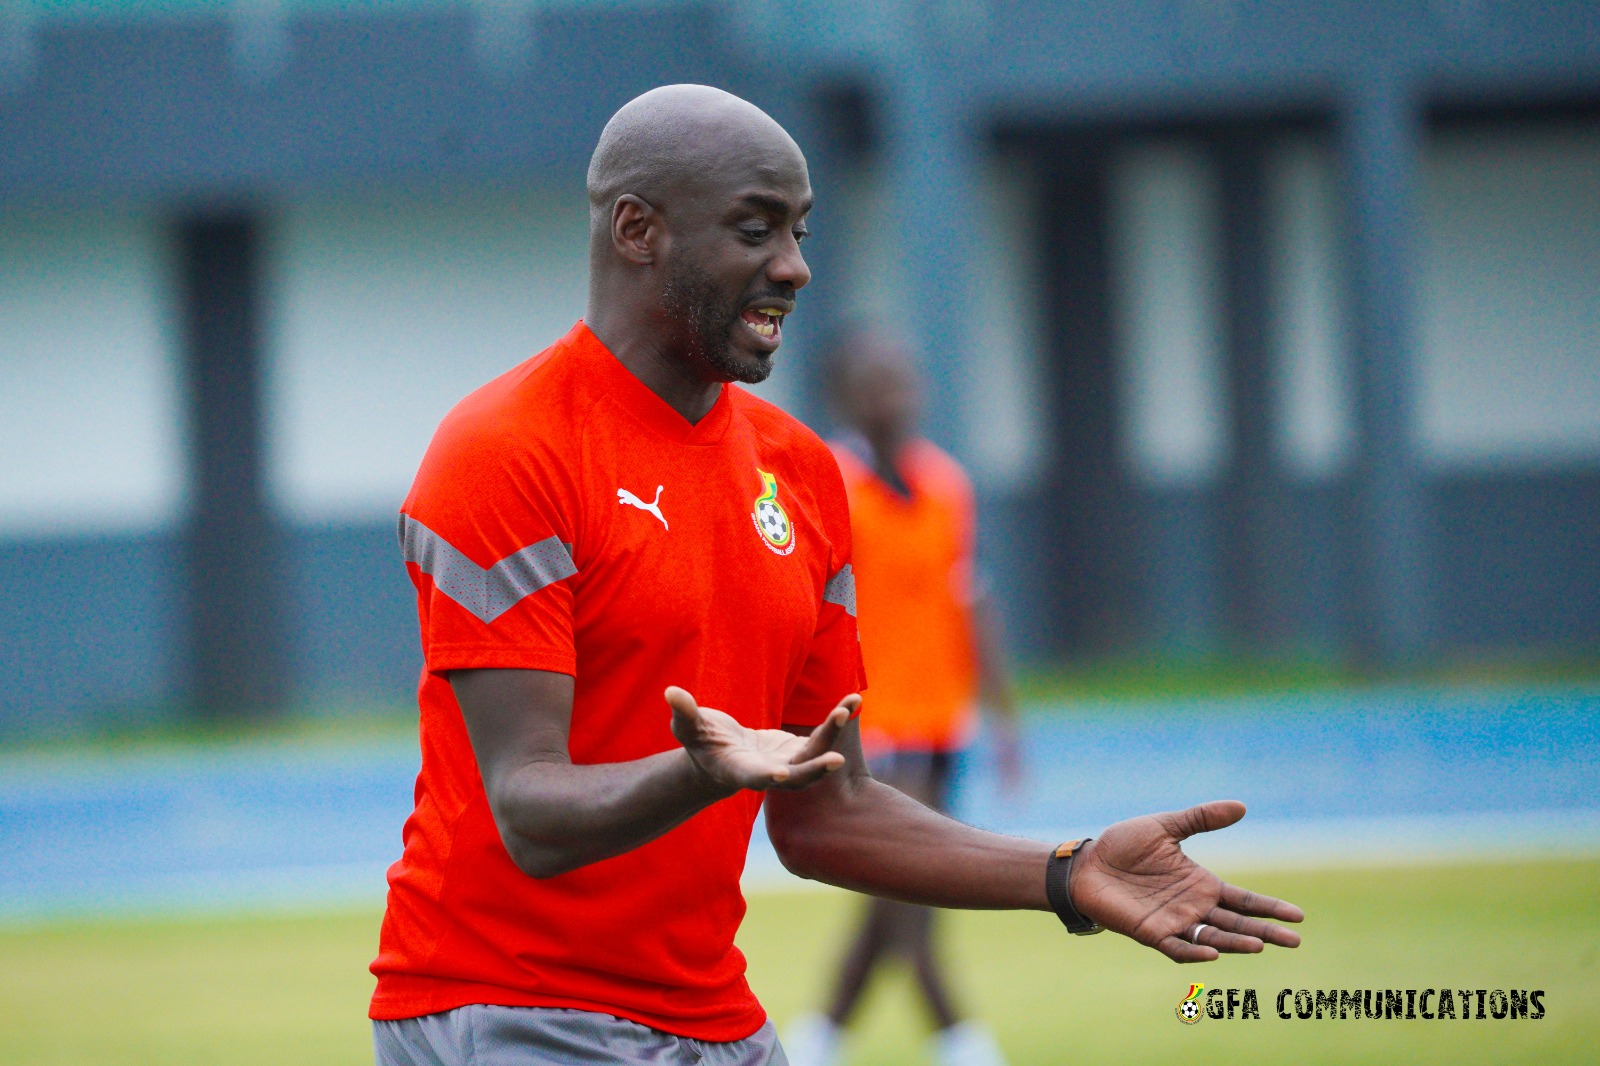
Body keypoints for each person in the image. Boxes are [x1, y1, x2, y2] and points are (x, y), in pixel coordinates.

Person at [370, 83, 1303, 1066]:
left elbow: (825, 814)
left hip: (713, 1017)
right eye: (755, 230)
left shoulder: (803, 476)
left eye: (800, 230)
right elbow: (531, 811)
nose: (794, 267)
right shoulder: (505, 451)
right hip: (509, 1006)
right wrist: (700, 773)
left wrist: (1066, 872)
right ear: (638, 230)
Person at [784, 332, 1022, 1066]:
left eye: (904, 378)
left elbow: (968, 597)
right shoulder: (829, 485)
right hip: (871, 722)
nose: (895, 393)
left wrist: (1004, 716)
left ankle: (818, 1037)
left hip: (944, 717)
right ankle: (960, 1037)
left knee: (901, 888)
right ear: (845, 397)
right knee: (913, 879)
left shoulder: (948, 484)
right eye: (876, 381)